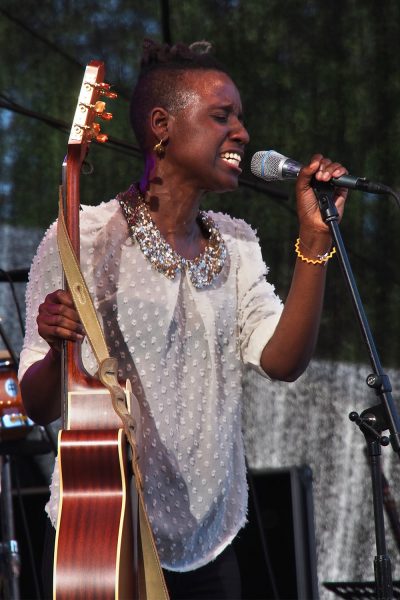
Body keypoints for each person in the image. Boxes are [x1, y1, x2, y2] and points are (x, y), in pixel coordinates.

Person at [19, 39, 348, 599]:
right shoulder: (85, 238)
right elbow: (38, 405)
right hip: (107, 528)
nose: (242, 132)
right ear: (161, 126)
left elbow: (283, 361)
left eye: (240, 117)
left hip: (211, 544)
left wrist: (314, 242)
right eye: (223, 116)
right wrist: (57, 348)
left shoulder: (237, 244)